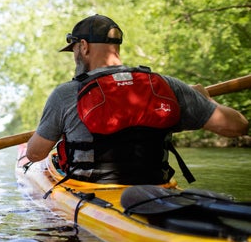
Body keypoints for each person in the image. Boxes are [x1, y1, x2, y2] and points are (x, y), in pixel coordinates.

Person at [25, 14, 248, 184]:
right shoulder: (166, 85)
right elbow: (238, 126)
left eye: (74, 49)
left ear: (83, 46)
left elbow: (35, 154)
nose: (74, 56)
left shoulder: (66, 94)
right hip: (157, 189)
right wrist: (207, 101)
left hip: (92, 193)